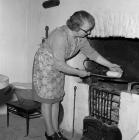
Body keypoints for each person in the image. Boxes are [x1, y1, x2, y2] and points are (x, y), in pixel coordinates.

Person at [32, 10, 123, 140]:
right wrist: (79, 72)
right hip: (45, 66)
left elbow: (92, 54)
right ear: (75, 27)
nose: (90, 33)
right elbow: (60, 65)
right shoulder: (60, 36)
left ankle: (56, 131)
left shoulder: (81, 38)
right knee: (47, 100)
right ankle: (50, 133)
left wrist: (110, 65)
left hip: (59, 64)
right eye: (87, 30)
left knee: (56, 98)